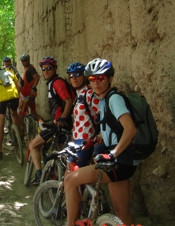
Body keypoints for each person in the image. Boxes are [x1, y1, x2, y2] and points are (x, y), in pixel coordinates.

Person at [64, 58, 139, 226]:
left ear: (110, 78)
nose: (96, 83)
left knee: (70, 180)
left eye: (101, 78)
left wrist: (112, 154)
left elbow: (130, 129)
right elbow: (114, 131)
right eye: (92, 79)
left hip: (117, 161)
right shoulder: (105, 100)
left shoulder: (114, 100)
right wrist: (96, 138)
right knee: (121, 213)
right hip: (125, 163)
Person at [28, 57, 75, 185]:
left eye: (49, 68)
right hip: (61, 124)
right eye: (44, 69)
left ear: (55, 69)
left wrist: (62, 118)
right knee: (60, 154)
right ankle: (58, 178)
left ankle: (39, 175)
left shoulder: (57, 83)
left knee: (33, 145)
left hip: (58, 125)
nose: (46, 71)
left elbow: (68, 101)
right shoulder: (52, 83)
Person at [66, 62, 101, 167]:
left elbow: (104, 112)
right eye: (71, 75)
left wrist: (100, 135)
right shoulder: (78, 95)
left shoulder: (89, 94)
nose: (74, 78)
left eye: (77, 74)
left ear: (85, 77)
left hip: (87, 140)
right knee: (71, 170)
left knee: (72, 174)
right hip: (77, 140)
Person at [18, 54, 42, 136]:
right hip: (29, 94)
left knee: (20, 114)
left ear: (28, 60)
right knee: (33, 113)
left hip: (28, 94)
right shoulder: (27, 68)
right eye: (22, 61)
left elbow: (37, 77)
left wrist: (33, 87)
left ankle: (21, 134)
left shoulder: (30, 68)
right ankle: (44, 125)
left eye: (25, 60)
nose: (23, 62)